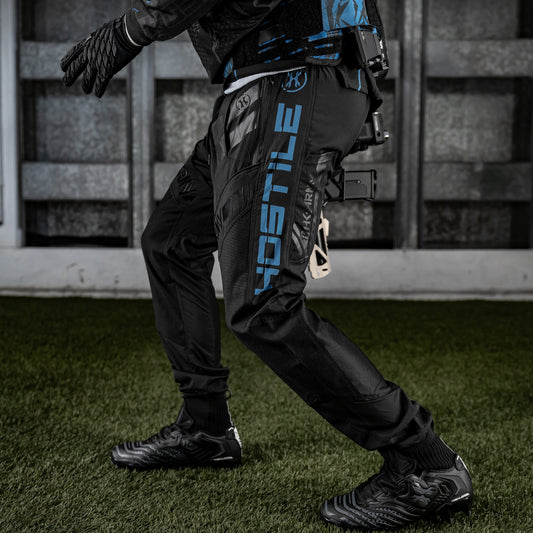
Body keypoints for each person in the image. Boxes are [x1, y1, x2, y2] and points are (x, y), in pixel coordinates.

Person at [61, 1, 473, 530]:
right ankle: (206, 428)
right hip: (259, 89)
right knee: (171, 243)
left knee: (264, 303)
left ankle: (425, 463)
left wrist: (130, 29)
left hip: (294, 79)